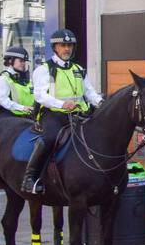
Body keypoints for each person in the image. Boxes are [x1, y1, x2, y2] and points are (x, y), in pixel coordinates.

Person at [23, 29, 103, 194]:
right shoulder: (45, 69)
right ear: (55, 47)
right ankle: (30, 178)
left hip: (78, 115)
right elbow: (39, 95)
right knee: (49, 138)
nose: (67, 49)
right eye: (63, 45)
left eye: (69, 45)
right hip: (54, 115)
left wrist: (100, 102)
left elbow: (89, 92)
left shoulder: (78, 69)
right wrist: (61, 104)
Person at [0, 45, 35, 118]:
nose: (24, 63)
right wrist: (22, 108)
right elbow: (3, 100)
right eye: (21, 61)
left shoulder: (26, 79)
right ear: (10, 61)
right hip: (9, 118)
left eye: (24, 61)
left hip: (28, 116)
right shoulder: (3, 78)